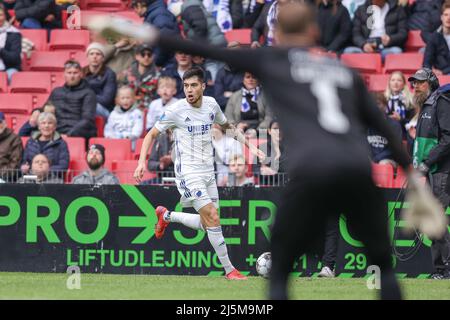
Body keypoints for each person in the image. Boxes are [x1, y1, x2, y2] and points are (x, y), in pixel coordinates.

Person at [140, 1, 411, 299]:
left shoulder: (274, 62)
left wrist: (144, 31)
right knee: (384, 268)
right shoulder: (342, 70)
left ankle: (171, 219)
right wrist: (414, 179)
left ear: (277, 31)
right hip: (357, 172)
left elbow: (213, 51)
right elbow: (384, 126)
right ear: (315, 30)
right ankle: (227, 266)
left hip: (310, 172)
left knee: (279, 266)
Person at [134, 67, 265, 280]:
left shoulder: (212, 105)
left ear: (203, 86)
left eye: (194, 85)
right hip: (188, 173)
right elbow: (150, 135)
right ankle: (230, 270)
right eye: (186, 86)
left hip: (208, 172)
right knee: (213, 216)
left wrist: (251, 147)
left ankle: (166, 216)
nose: (189, 90)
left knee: (207, 224)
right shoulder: (176, 110)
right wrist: (141, 163)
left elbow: (227, 126)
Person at [409, 67, 450, 279]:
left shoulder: (441, 102)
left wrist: (427, 163)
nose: (415, 85)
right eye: (414, 82)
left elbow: (448, 139)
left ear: (431, 83)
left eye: (420, 82)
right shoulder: (426, 105)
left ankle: (445, 268)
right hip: (431, 171)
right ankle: (441, 270)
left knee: (436, 221)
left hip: (442, 171)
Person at [48, 60, 97, 139]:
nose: (72, 76)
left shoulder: (89, 93)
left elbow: (87, 119)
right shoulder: (56, 92)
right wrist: (36, 112)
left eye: (75, 73)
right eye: (69, 73)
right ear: (64, 74)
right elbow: (45, 109)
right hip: (56, 131)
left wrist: (69, 135)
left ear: (81, 74)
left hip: (77, 134)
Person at [131, 0, 180, 67]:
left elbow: (165, 42)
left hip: (166, 65)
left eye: (134, 7)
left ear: (139, 4)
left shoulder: (159, 15)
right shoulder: (153, 15)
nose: (134, 11)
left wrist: (154, 62)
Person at [21, 112, 69, 179]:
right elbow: (24, 161)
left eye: (50, 123)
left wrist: (44, 171)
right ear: (39, 127)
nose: (46, 126)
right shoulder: (30, 142)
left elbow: (63, 165)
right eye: (43, 123)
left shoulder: (61, 144)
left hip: (53, 179)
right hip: (32, 177)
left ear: (55, 127)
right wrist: (24, 167)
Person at [118, 43, 160, 110]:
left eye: (149, 55)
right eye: (143, 54)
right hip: (129, 109)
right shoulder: (127, 73)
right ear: (137, 56)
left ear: (152, 57)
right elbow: (120, 93)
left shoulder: (159, 74)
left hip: (150, 109)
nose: (146, 57)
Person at [367, 92, 403, 167]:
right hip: (371, 159)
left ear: (385, 105)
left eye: (378, 103)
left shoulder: (394, 125)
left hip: (388, 159)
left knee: (383, 163)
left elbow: (395, 149)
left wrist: (376, 159)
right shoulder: (366, 124)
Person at [83, 42, 118, 119]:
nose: (94, 57)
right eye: (91, 54)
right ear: (87, 57)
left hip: (104, 110)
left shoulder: (109, 74)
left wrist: (86, 96)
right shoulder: (81, 72)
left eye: (98, 54)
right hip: (84, 105)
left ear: (103, 57)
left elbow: (106, 100)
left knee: (91, 106)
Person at [104, 86, 144, 150]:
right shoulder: (113, 113)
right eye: (123, 98)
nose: (125, 100)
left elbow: (138, 129)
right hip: (115, 143)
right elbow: (108, 128)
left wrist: (128, 137)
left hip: (131, 143)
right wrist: (111, 137)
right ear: (118, 100)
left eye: (128, 98)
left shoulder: (137, 113)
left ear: (133, 99)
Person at [214, 41, 244, 111]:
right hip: (225, 111)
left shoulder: (248, 71)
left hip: (244, 111)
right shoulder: (221, 73)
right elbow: (218, 100)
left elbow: (250, 97)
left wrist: (231, 95)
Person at [423, 2, 450, 76]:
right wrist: (431, 71)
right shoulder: (434, 37)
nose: (448, 18)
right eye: (446, 15)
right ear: (441, 17)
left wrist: (443, 72)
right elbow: (426, 62)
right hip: (438, 74)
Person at [0, 5, 21, 82]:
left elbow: (14, 59)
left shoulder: (13, 33)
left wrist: (1, 50)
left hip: (8, 68)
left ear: (5, 16)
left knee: (9, 76)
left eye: (1, 15)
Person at [0, 111, 22, 181]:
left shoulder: (14, 139)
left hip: (4, 178)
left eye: (0, 123)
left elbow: (14, 164)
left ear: (5, 123)